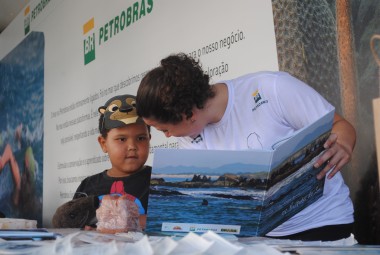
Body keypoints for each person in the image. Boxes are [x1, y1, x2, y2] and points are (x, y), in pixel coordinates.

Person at [136, 53, 356, 241]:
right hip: (261, 240)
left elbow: (340, 125)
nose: (168, 135)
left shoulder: (271, 88)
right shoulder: (188, 136)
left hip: (324, 224)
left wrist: (342, 144)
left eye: (165, 129)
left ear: (189, 115)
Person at [71, 94, 151, 230]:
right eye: (121, 139)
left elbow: (171, 224)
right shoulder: (87, 186)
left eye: (141, 138)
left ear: (149, 139)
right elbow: (71, 224)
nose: (132, 146)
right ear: (103, 144)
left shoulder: (157, 181)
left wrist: (129, 222)